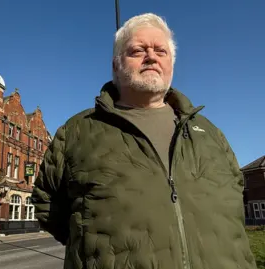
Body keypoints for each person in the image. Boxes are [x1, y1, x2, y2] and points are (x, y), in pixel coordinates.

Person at [31, 13, 257, 269]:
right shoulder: (77, 132)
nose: (151, 56)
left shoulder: (210, 133)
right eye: (138, 50)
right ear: (116, 65)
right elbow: (48, 205)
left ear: (171, 63)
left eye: (161, 50)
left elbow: (236, 197)